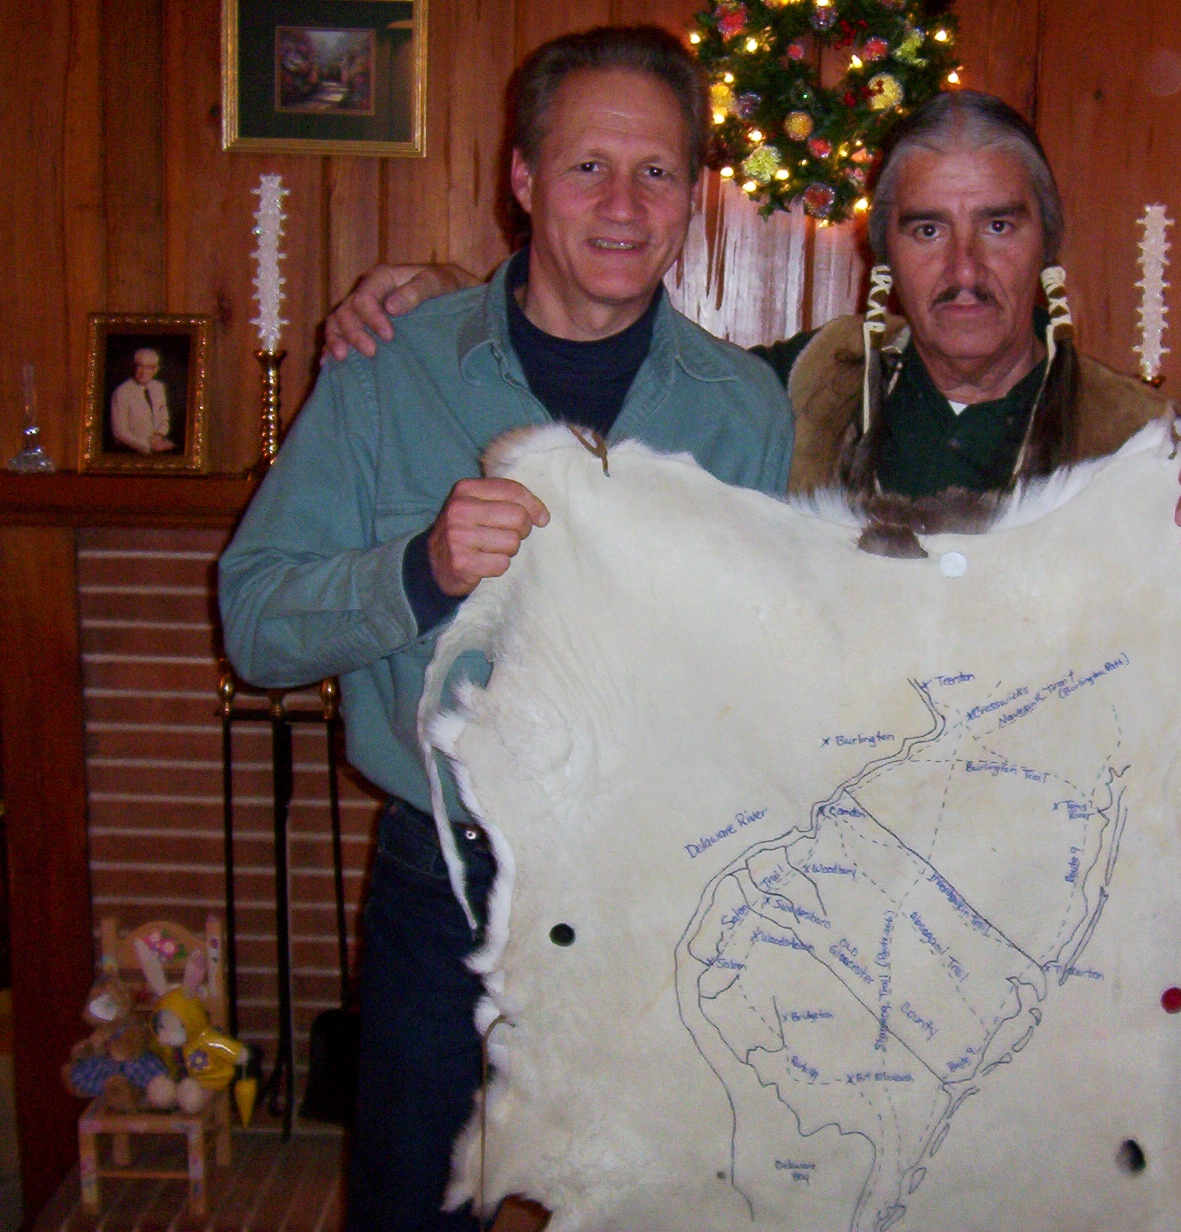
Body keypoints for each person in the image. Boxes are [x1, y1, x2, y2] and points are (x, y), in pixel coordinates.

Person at [219, 27, 792, 1232]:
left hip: (658, 895)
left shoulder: (745, 411)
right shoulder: (391, 369)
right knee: (414, 1212)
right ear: (523, 179)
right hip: (447, 883)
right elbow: (255, 623)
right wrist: (422, 569)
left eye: (656, 171)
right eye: (588, 166)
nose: (624, 204)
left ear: (693, 194)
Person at [327, 89, 1181, 746]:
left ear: (1046, 244)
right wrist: (454, 295)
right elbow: (602, 364)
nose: (966, 267)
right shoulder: (797, 388)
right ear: (885, 253)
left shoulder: (1137, 440)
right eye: (928, 229)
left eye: (998, 224)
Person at [109, 348, 174, 454]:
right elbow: (119, 433)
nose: (144, 372)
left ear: (156, 369)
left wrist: (159, 435)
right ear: (134, 367)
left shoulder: (159, 387)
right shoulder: (122, 392)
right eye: (140, 366)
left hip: (158, 447)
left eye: (149, 367)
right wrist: (149, 447)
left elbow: (164, 419)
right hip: (131, 451)